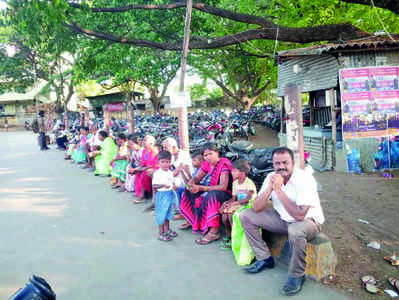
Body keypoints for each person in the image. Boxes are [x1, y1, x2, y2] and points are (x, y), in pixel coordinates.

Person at [240, 146, 325, 296]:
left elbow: (299, 215)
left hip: (308, 222)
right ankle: (264, 258)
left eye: (285, 163)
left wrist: (279, 190)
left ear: (293, 163)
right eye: (277, 163)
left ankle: (297, 275)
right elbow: (257, 207)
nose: (281, 167)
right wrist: (270, 189)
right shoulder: (271, 177)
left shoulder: (304, 179)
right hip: (283, 219)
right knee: (246, 215)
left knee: (296, 229)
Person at [179, 142, 233, 245]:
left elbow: (223, 187)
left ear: (217, 153)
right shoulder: (207, 164)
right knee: (188, 189)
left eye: (210, 154)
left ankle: (214, 231)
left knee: (212, 195)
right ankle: (193, 221)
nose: (208, 157)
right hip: (212, 190)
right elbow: (197, 177)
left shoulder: (223, 165)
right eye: (205, 155)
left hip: (225, 193)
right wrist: (192, 182)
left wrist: (200, 187)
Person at [219, 160, 256, 249]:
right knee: (224, 216)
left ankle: (234, 238)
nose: (232, 172)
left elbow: (248, 199)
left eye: (234, 170)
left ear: (242, 172)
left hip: (248, 206)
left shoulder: (249, 183)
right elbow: (234, 198)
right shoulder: (235, 183)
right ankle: (229, 234)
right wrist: (227, 203)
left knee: (231, 215)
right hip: (239, 205)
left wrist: (234, 204)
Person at [152, 150, 178, 242]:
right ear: (158, 162)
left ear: (170, 162)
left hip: (169, 194)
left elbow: (172, 182)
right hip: (161, 195)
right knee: (161, 215)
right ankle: (160, 233)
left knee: (168, 214)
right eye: (162, 162)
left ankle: (167, 230)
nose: (165, 164)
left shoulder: (170, 172)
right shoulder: (157, 173)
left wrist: (174, 186)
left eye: (167, 162)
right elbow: (154, 185)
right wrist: (162, 185)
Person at [163, 137, 192, 218]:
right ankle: (174, 208)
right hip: (178, 177)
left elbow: (177, 172)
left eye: (166, 147)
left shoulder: (182, 155)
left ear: (173, 147)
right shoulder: (172, 155)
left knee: (172, 184)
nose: (164, 149)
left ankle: (181, 211)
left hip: (187, 179)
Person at [133, 135, 159, 203]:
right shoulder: (144, 151)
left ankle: (142, 196)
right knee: (137, 172)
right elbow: (143, 163)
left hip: (155, 167)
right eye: (143, 140)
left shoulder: (154, 151)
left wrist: (142, 169)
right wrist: (137, 168)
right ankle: (139, 192)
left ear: (151, 143)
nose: (143, 142)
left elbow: (153, 165)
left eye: (145, 140)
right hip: (147, 167)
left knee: (144, 173)